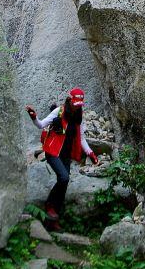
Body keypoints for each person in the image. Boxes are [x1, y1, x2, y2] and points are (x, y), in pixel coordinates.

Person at [26, 87, 99, 229]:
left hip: (66, 154)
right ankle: (49, 205)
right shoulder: (59, 111)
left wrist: (91, 153)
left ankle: (52, 221)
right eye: (75, 103)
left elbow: (82, 138)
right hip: (52, 151)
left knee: (63, 184)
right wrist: (34, 117)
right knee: (64, 177)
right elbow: (41, 125)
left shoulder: (79, 117)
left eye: (79, 104)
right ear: (70, 100)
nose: (77, 107)